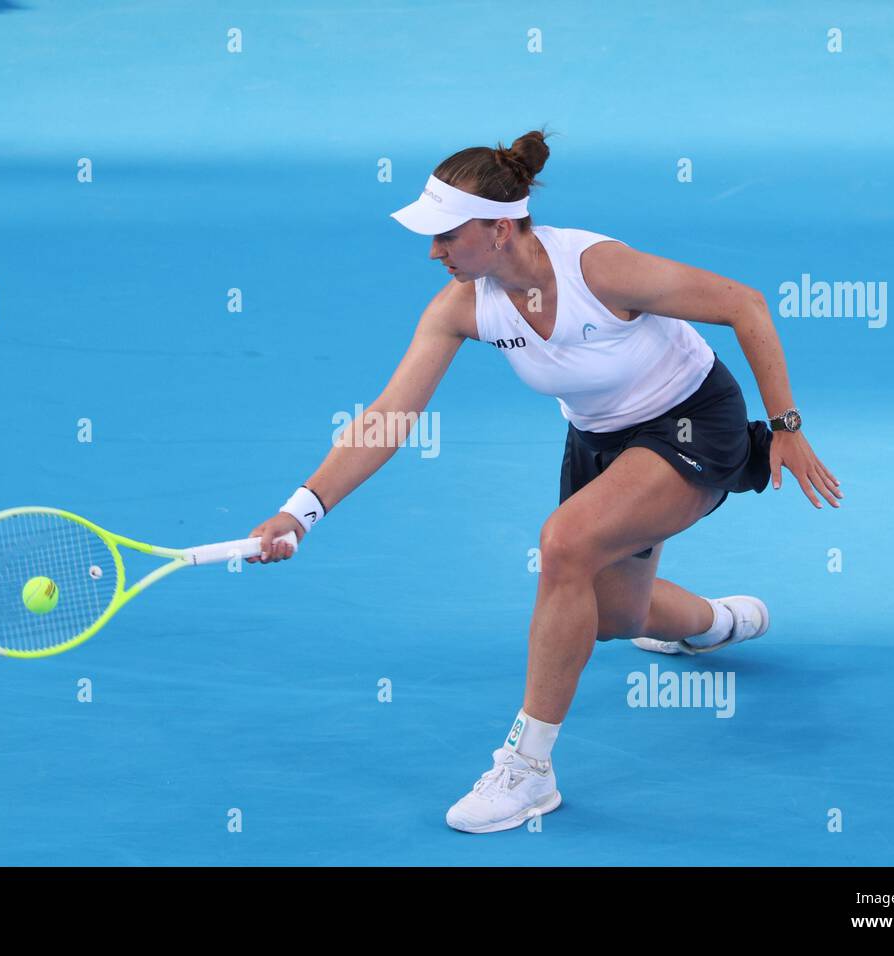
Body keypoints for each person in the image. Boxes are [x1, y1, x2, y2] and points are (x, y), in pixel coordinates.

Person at [246, 128, 841, 834]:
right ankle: (712, 624)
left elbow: (745, 304)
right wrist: (300, 512)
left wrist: (789, 426)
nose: (433, 251)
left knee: (564, 543)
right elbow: (387, 417)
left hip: (691, 424)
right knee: (615, 618)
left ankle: (528, 770)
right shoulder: (461, 308)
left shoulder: (600, 268)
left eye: (446, 235)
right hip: (600, 441)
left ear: (501, 228)